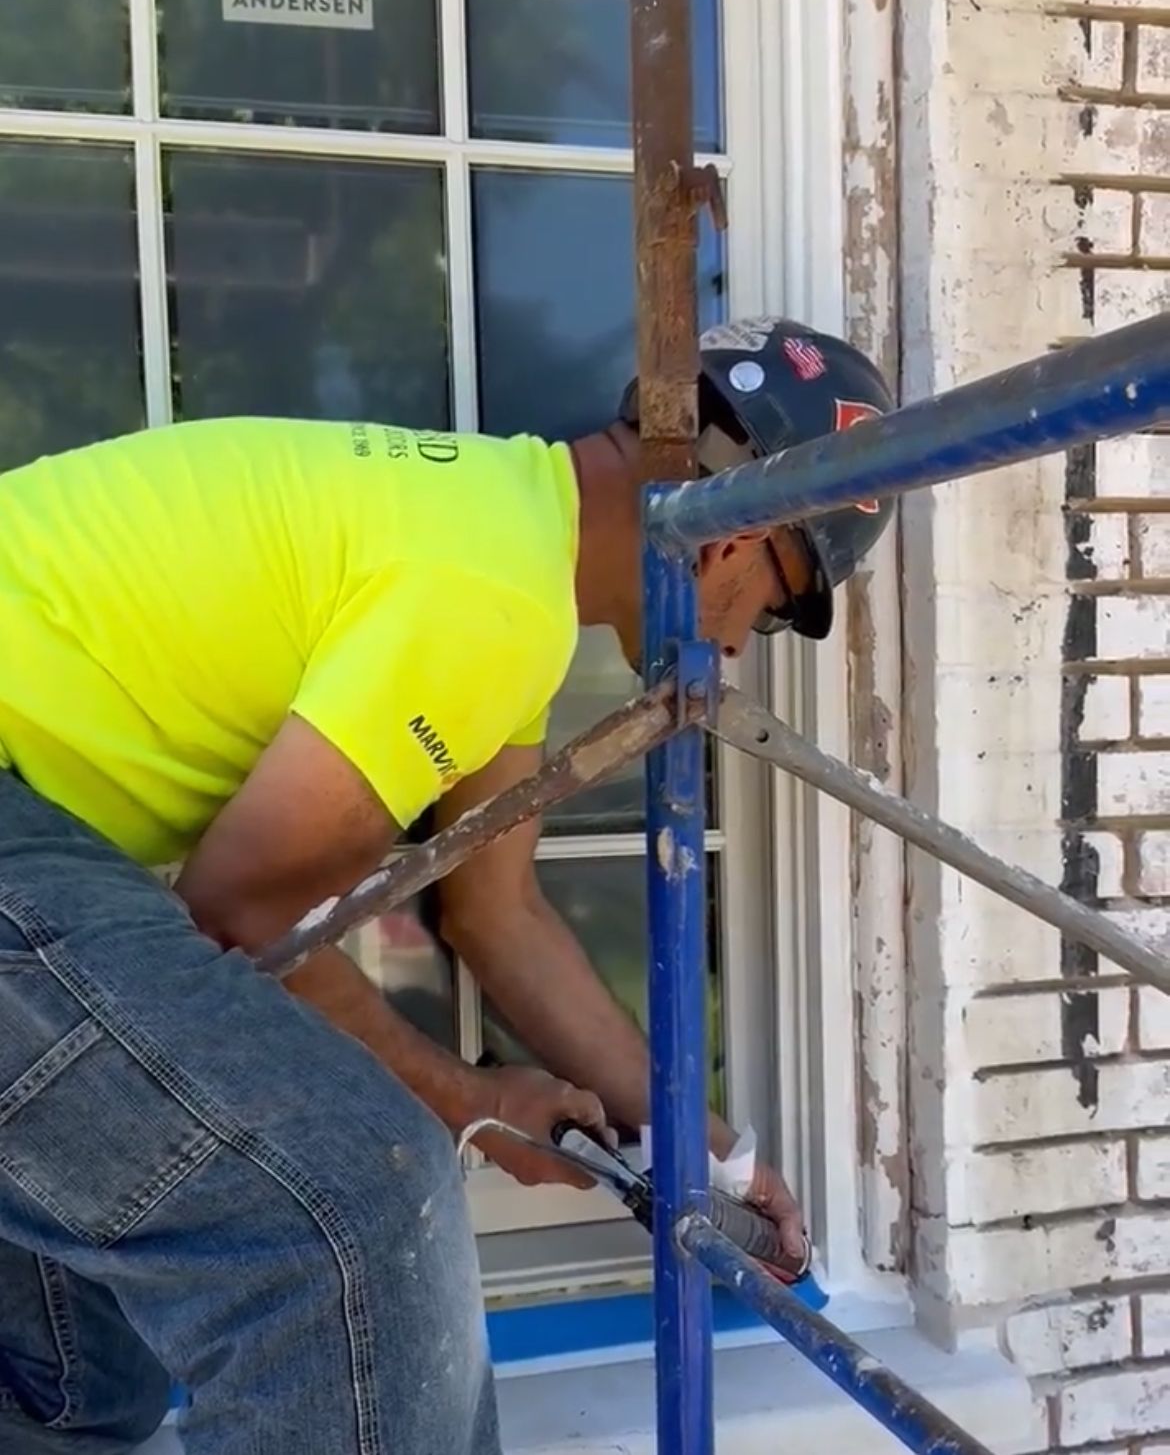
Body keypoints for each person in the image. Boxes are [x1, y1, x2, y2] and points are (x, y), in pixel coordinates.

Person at [0, 318, 893, 1455]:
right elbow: (244, 911)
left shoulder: (506, 539)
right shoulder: (492, 590)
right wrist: (462, 1098)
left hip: (33, 823)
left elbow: (495, 912)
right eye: (771, 608)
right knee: (353, 1220)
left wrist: (709, 1153)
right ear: (735, 538)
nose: (741, 649)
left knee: (72, 1372)